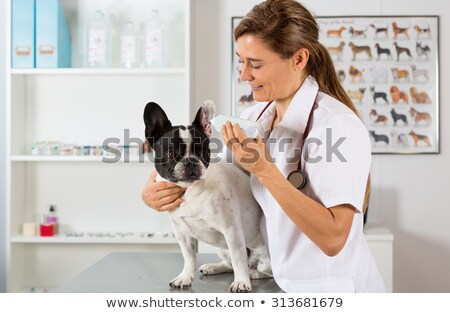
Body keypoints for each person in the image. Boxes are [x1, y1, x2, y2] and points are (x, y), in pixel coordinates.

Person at [142, 0, 386, 292]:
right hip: (276, 279)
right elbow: (213, 175)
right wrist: (153, 190)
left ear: (298, 59)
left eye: (255, 64)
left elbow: (334, 239)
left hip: (332, 290)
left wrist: (266, 170)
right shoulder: (253, 119)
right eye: (240, 61)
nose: (244, 75)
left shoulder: (336, 126)